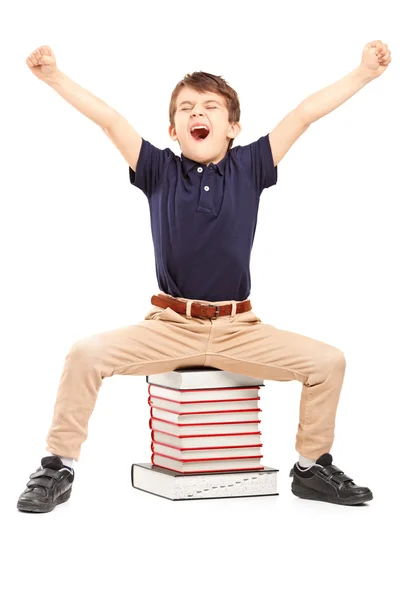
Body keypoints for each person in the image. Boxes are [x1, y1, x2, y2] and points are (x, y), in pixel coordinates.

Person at [17, 40, 391, 512]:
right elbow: (110, 119)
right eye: (187, 108)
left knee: (329, 362)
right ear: (173, 129)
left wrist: (363, 73)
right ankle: (58, 467)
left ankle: (311, 467)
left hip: (239, 328)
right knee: (85, 354)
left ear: (233, 127)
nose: (199, 111)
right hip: (171, 326)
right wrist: (54, 76)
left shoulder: (251, 166)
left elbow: (304, 113)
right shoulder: (158, 170)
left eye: (211, 106)